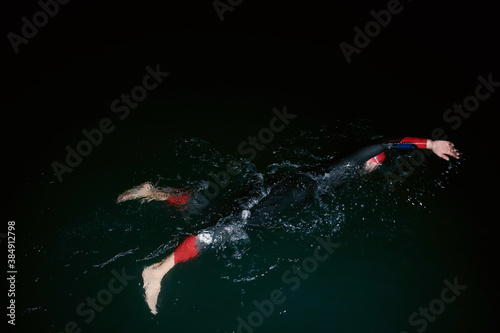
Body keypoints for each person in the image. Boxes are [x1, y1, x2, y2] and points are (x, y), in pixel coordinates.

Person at [117, 137, 460, 314]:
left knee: (224, 209)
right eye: (375, 165)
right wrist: (431, 145)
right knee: (234, 227)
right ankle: (158, 271)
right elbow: (387, 143)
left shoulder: (347, 170)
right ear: (371, 162)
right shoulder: (359, 161)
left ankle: (159, 194)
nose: (373, 168)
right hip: (296, 193)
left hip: (290, 184)